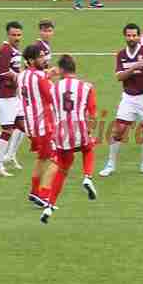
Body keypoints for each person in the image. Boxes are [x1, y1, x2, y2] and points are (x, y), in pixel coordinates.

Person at [40, 54, 100, 223]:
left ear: (61, 70)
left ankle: (49, 207)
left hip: (60, 133)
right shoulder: (86, 87)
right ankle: (87, 177)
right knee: (88, 149)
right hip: (79, 128)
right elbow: (92, 113)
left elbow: (40, 85)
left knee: (63, 169)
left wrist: (48, 75)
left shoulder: (54, 88)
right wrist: (89, 131)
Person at [100, 24, 143, 178]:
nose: (131, 38)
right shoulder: (121, 55)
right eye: (129, 35)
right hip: (129, 97)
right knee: (118, 130)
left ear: (139, 36)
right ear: (125, 36)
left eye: (134, 35)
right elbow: (119, 77)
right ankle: (110, 164)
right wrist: (134, 67)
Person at [17, 42, 60, 207]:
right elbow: (53, 98)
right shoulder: (40, 77)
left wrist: (48, 75)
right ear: (30, 60)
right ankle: (44, 194)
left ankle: (34, 193)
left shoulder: (22, 75)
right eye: (40, 57)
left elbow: (35, 80)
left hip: (30, 125)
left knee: (42, 158)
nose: (44, 59)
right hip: (44, 124)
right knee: (59, 158)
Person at [0, 21, 26, 177]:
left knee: (23, 125)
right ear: (8, 34)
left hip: (13, 96)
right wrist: (20, 78)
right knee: (8, 130)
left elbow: (16, 69)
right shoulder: (5, 50)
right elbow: (4, 72)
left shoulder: (14, 49)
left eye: (19, 34)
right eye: (14, 35)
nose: (17, 37)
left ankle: (7, 153)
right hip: (4, 97)